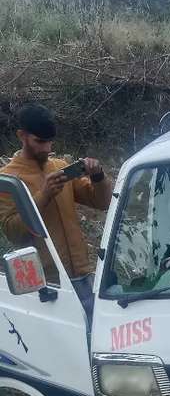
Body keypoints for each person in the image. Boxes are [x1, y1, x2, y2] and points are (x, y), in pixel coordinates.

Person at [0, 103, 112, 323]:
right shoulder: (8, 180)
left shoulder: (59, 167)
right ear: (22, 135)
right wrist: (44, 195)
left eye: (50, 141)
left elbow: (102, 202)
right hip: (47, 285)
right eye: (40, 141)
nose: (46, 148)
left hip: (83, 276)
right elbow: (13, 232)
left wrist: (98, 176)